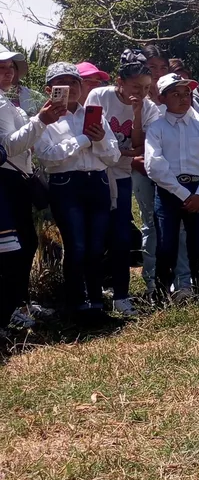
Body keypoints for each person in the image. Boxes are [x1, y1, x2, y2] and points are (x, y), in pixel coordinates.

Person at [34, 63, 120, 315]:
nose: (69, 88)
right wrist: (84, 140)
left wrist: (100, 137)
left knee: (95, 245)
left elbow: (113, 156)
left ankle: (95, 300)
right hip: (66, 185)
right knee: (77, 245)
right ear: (49, 89)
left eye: (74, 82)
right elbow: (48, 157)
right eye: (62, 83)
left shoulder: (95, 115)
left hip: (98, 182)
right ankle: (76, 301)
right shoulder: (45, 120)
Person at [85, 56, 165, 314]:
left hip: (121, 177)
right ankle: (92, 295)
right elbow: (90, 134)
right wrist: (126, 151)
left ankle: (122, 296)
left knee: (120, 237)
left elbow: (143, 145)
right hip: (94, 174)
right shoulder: (99, 96)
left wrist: (138, 112)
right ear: (120, 82)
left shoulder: (148, 107)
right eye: (135, 88)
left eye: (145, 88)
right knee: (95, 239)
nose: (141, 93)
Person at [0, 48, 63, 329]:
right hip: (6, 181)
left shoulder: (8, 102)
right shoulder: (1, 104)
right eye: (1, 68)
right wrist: (40, 121)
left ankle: (16, 304)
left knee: (23, 244)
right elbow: (8, 147)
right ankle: (10, 309)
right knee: (14, 247)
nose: (9, 72)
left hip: (17, 180)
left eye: (11, 67)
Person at [145, 74, 199, 297]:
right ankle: (161, 291)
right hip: (169, 191)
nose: (183, 98)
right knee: (167, 245)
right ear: (162, 98)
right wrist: (183, 194)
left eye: (186, 94)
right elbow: (154, 166)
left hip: (197, 191)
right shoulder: (156, 128)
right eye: (176, 94)